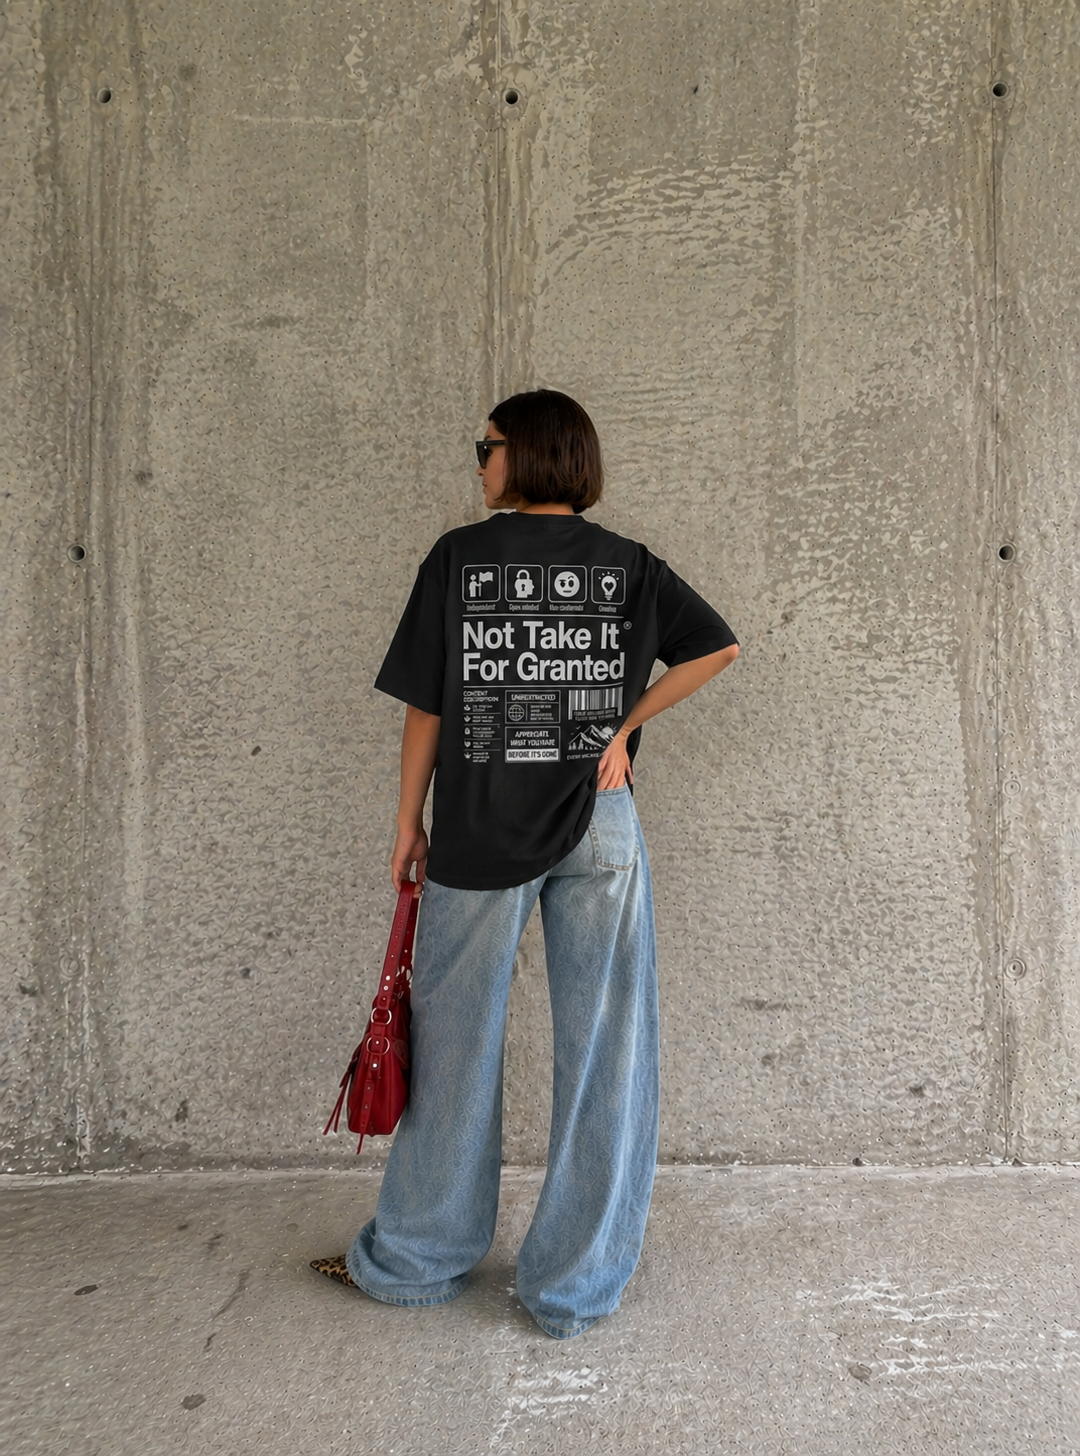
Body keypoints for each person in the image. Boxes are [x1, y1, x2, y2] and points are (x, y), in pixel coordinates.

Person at [312, 389, 738, 1338]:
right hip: (602, 821)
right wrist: (623, 728)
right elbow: (717, 646)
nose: (479, 462)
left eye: (488, 446)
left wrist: (407, 819)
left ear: (532, 454)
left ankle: (418, 1262)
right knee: (606, 1053)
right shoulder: (627, 565)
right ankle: (573, 1288)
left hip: (479, 828)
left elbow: (425, 703)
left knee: (456, 1046)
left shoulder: (460, 558)